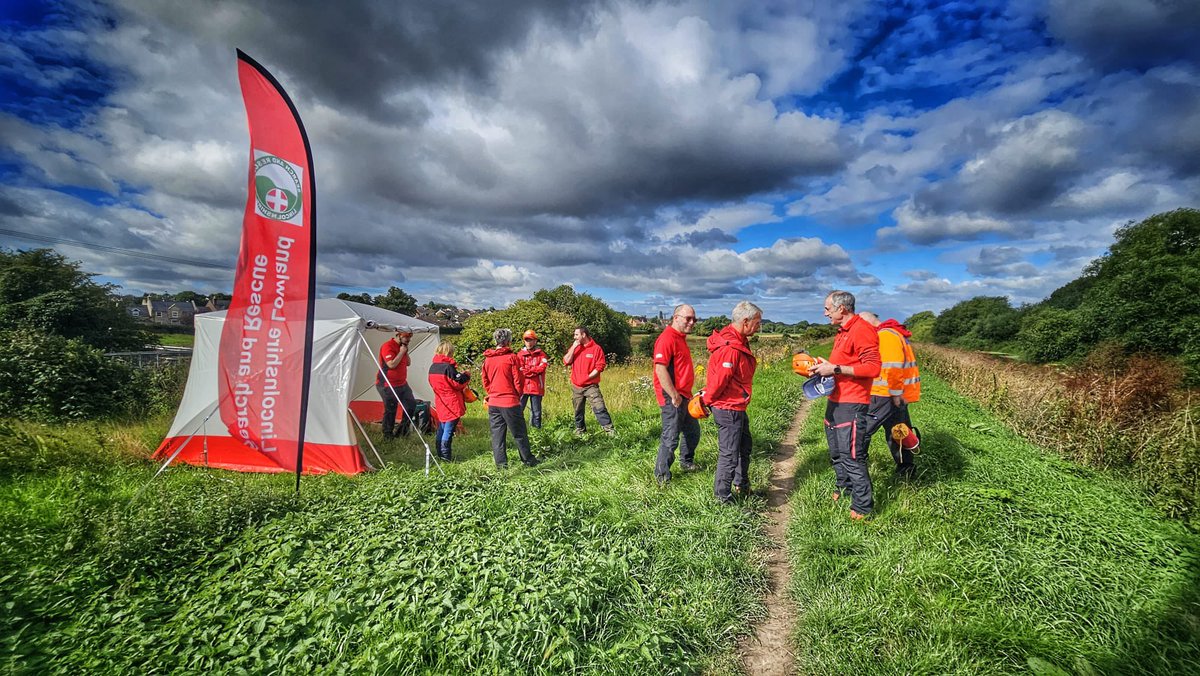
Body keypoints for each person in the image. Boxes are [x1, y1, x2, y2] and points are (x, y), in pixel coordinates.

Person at [810, 291, 881, 520]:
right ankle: (843, 488)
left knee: (852, 455)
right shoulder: (843, 331)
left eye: (827, 309)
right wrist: (826, 366)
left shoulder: (862, 330)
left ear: (842, 308)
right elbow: (843, 363)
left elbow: (873, 368)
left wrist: (836, 369)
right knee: (836, 452)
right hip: (836, 400)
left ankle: (862, 506)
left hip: (852, 402)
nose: (825, 313)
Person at [701, 301, 762, 504]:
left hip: (736, 404)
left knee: (744, 446)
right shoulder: (731, 348)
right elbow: (720, 380)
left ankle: (741, 485)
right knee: (729, 453)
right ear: (745, 321)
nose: (758, 327)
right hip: (728, 407)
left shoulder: (739, 339)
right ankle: (722, 498)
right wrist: (706, 400)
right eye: (757, 322)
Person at [859, 312, 921, 477]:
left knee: (861, 431)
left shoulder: (885, 335)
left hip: (884, 395)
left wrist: (894, 394)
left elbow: (892, 367)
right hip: (895, 395)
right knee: (899, 432)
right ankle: (906, 471)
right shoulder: (893, 332)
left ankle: (855, 470)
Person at [653, 304, 701, 485]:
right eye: (687, 318)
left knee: (692, 432)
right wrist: (673, 395)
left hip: (684, 395)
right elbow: (660, 369)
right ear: (675, 317)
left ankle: (686, 462)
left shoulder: (680, 338)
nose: (691, 322)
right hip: (671, 396)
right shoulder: (667, 338)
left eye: (694, 319)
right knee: (671, 436)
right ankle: (662, 476)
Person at [482, 328, 540, 468]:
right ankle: (528, 460)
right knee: (519, 433)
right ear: (508, 341)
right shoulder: (512, 357)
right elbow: (518, 381)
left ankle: (501, 465)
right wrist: (516, 395)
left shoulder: (488, 359)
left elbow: (485, 381)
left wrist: (493, 393)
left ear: (496, 340)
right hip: (509, 401)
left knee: (497, 436)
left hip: (494, 402)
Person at [563, 326, 615, 435]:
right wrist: (573, 347)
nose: (574, 337)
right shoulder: (575, 348)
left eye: (576, 335)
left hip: (591, 386)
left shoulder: (596, 349)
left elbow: (600, 367)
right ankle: (580, 431)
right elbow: (566, 361)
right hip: (576, 386)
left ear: (583, 335)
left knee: (599, 407)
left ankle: (609, 431)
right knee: (578, 411)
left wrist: (587, 377)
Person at [428, 341, 470, 461]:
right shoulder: (448, 367)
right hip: (452, 402)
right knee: (448, 430)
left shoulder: (433, 367)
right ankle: (446, 456)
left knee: (441, 427)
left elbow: (431, 382)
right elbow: (458, 383)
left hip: (440, 401)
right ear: (448, 352)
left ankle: (440, 454)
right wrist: (466, 375)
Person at [376, 329, 417, 440]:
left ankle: (402, 431)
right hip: (387, 384)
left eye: (410, 337)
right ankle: (387, 435)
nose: (408, 339)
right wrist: (401, 352)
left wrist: (405, 351)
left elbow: (408, 363)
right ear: (398, 335)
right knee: (391, 409)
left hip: (402, 383)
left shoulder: (403, 347)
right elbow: (391, 364)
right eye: (406, 337)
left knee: (411, 405)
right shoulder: (388, 346)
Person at [518, 329, 549, 429]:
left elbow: (542, 368)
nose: (529, 342)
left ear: (535, 341)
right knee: (518, 411)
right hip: (523, 387)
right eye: (527, 340)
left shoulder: (542, 355)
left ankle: (537, 432)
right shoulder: (519, 355)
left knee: (537, 413)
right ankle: (518, 431)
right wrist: (534, 370)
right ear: (524, 341)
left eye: (531, 340)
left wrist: (528, 370)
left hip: (536, 387)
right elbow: (520, 370)